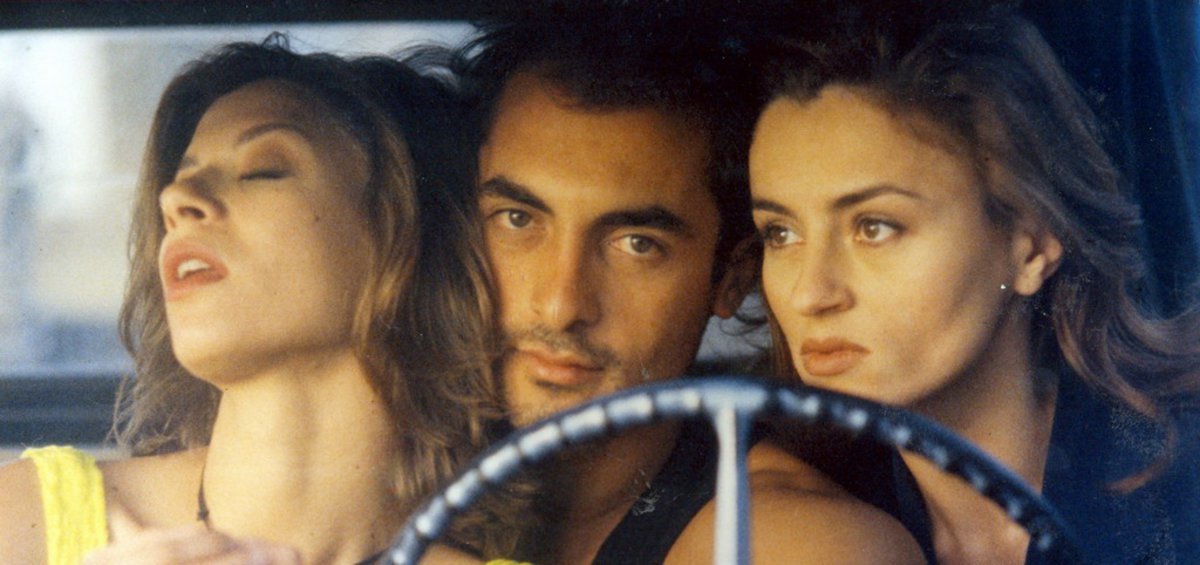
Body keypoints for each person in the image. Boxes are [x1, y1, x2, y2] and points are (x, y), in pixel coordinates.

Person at [0, 39, 501, 564]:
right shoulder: (22, 520)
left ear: (402, 230)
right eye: (178, 181)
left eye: (263, 170)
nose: (176, 200)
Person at [455, 3, 921, 563]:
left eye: (637, 244)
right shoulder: (407, 479)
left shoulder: (791, 543)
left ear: (732, 279)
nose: (561, 305)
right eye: (517, 220)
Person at [748, 3, 1200, 563]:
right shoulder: (793, 518)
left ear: (1031, 247)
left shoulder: (1181, 491)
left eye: (876, 227)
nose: (809, 294)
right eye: (781, 234)